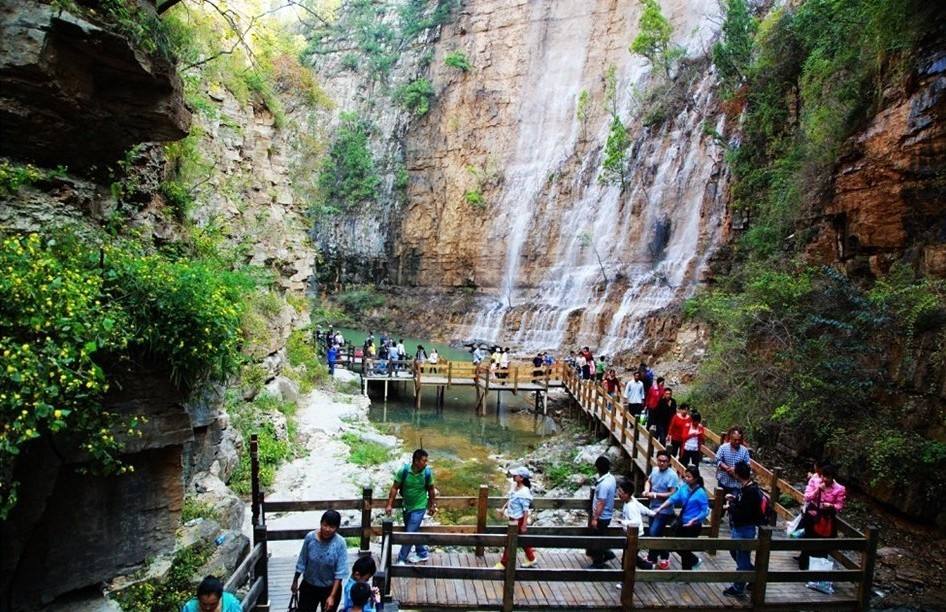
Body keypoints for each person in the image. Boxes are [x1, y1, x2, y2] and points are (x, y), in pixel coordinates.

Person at [385, 449, 437, 564]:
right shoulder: (404, 471)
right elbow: (395, 487)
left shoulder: (427, 473)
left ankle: (401, 559)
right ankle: (422, 553)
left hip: (420, 507)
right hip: (407, 506)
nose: (426, 463)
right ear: (416, 461)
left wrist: (432, 505)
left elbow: (431, 489)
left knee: (409, 532)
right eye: (424, 460)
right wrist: (389, 504)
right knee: (414, 531)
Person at [292, 510, 349, 612]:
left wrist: (332, 596)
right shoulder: (310, 538)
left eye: (332, 527)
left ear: (337, 528)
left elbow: (340, 573)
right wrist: (295, 581)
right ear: (321, 523)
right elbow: (302, 560)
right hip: (309, 585)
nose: (327, 529)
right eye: (325, 525)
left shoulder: (340, 543)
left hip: (330, 588)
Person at [654, 466, 709, 570]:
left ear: (696, 478)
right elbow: (672, 499)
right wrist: (660, 508)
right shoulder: (683, 488)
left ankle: (687, 571)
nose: (686, 479)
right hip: (683, 522)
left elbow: (704, 510)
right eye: (685, 476)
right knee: (678, 546)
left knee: (686, 547)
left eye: (689, 477)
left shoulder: (701, 492)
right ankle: (694, 561)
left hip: (693, 525)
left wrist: (695, 520)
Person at [723, 461, 763, 598]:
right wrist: (734, 500)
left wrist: (731, 507)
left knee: (742, 556)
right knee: (735, 551)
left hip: (745, 528)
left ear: (738, 474)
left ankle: (738, 586)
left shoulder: (751, 491)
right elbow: (743, 505)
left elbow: (745, 512)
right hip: (739, 526)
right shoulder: (745, 488)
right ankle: (751, 575)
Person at [798, 464, 846, 570]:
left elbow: (839, 506)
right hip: (813, 515)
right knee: (808, 540)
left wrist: (831, 506)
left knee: (823, 544)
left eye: (828, 477)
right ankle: (804, 566)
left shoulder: (840, 489)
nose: (825, 479)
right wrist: (818, 490)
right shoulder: (815, 482)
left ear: (833, 477)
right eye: (824, 476)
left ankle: (818, 569)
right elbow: (807, 497)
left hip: (827, 518)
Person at [495, 467, 538, 569]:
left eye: (516, 475)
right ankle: (531, 558)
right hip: (513, 519)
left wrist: (524, 525)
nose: (513, 476)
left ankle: (503, 563)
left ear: (521, 478)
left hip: (518, 520)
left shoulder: (524, 492)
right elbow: (511, 499)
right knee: (521, 540)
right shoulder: (515, 487)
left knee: (510, 540)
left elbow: (525, 510)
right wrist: (503, 508)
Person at [643, 450, 678, 569]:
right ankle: (654, 557)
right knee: (656, 533)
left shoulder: (672, 475)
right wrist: (647, 490)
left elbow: (672, 494)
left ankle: (663, 555)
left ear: (669, 462)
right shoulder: (654, 470)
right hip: (653, 507)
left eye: (665, 461)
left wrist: (655, 495)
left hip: (664, 510)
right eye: (660, 461)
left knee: (653, 533)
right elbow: (648, 480)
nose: (662, 463)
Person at [615, 478, 655, 570]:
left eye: (621, 492)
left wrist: (622, 522)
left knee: (627, 558)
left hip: (635, 535)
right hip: (633, 534)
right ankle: (649, 567)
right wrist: (651, 513)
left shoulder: (630, 507)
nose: (619, 494)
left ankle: (624, 580)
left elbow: (635, 521)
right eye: (619, 491)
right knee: (631, 556)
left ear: (627, 494)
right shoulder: (632, 500)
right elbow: (641, 507)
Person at [587, 455, 617, 568]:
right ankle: (608, 553)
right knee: (601, 535)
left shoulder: (604, 484)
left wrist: (595, 518)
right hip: (607, 514)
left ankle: (598, 562)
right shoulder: (611, 478)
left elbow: (601, 502)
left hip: (602, 516)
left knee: (597, 539)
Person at [715, 426, 751, 496]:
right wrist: (727, 468)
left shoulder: (744, 450)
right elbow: (717, 459)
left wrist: (736, 469)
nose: (737, 442)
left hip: (737, 484)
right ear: (730, 438)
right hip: (723, 480)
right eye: (735, 440)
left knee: (733, 504)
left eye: (739, 440)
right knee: (720, 502)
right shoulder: (723, 448)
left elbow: (747, 464)